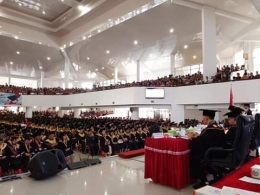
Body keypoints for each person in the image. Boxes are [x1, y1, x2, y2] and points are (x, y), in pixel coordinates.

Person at [189, 109, 225, 189]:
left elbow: (200, 143)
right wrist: (199, 136)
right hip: (220, 151)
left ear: (207, 118)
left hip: (210, 153)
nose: (202, 119)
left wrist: (193, 138)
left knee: (194, 157)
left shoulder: (208, 129)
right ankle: (214, 172)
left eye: (203, 117)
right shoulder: (219, 127)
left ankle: (203, 180)